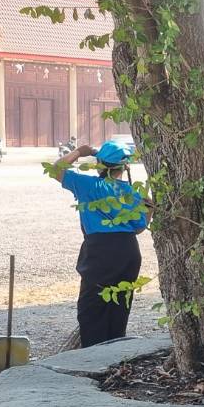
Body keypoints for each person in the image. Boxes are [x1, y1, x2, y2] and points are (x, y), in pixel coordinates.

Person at [46, 139, 150, 347]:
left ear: (99, 164)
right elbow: (139, 228)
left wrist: (80, 151)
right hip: (128, 251)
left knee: (91, 308)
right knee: (119, 306)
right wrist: (150, 209)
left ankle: (93, 353)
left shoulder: (88, 185)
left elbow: (55, 170)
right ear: (124, 167)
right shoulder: (133, 193)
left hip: (99, 251)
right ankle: (114, 351)